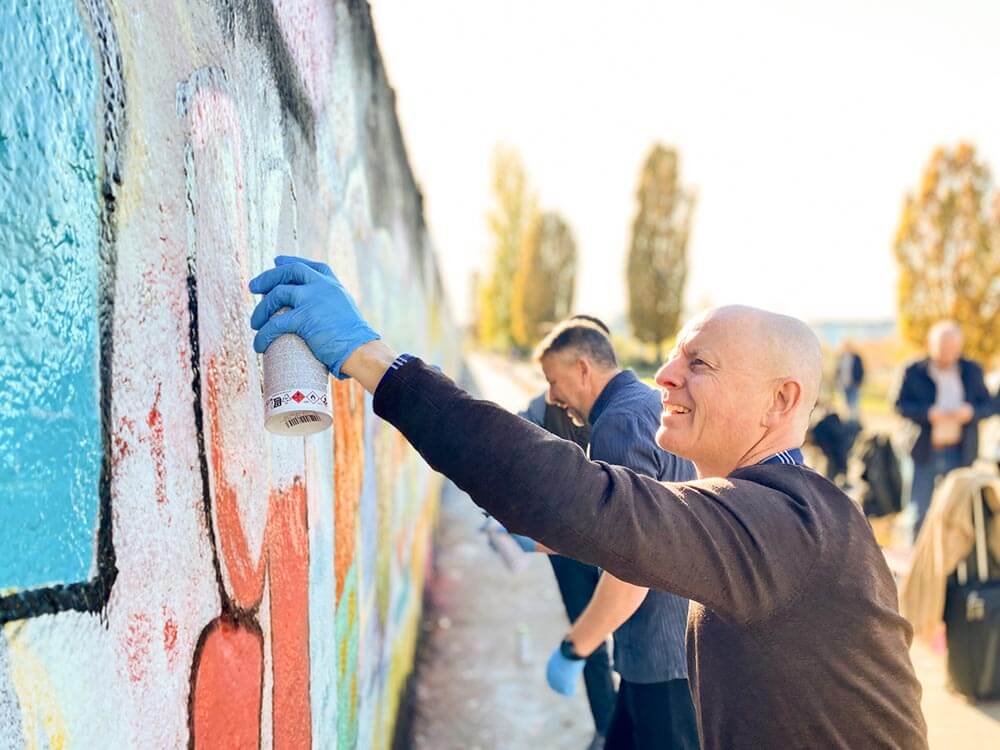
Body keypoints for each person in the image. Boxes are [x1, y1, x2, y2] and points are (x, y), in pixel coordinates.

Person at [248, 256, 928, 749]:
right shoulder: (779, 511)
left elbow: (584, 500)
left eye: (700, 363)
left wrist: (378, 364)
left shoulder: (785, 526)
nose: (664, 375)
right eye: (673, 359)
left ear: (780, 401)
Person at [525, 320, 698, 750]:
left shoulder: (616, 426)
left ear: (583, 369)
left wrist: (574, 648)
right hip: (679, 639)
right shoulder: (649, 402)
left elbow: (630, 563)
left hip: (660, 653)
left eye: (554, 381)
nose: (551, 397)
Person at [517, 317, 617, 750]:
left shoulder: (620, 410)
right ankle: (606, 726)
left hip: (622, 535)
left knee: (632, 635)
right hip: (569, 547)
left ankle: (625, 723)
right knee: (587, 635)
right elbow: (505, 460)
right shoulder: (540, 412)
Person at [894, 321, 992, 542]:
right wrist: (928, 413)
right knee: (918, 512)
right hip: (924, 450)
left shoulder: (972, 371)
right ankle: (914, 564)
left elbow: (989, 405)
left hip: (961, 451)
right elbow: (898, 405)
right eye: (942, 348)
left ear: (959, 347)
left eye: (951, 348)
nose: (946, 353)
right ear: (930, 345)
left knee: (958, 513)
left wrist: (972, 412)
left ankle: (953, 570)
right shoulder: (913, 370)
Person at [834, 340, 864, 421]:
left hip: (854, 384)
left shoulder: (856, 357)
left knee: (853, 403)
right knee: (845, 404)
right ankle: (847, 420)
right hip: (843, 384)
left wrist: (859, 381)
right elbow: (837, 371)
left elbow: (861, 370)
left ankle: (854, 421)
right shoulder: (841, 357)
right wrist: (837, 382)